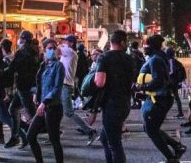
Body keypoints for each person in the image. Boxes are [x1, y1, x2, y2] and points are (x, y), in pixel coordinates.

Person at [135, 34, 186, 163]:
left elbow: (159, 81)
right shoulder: (157, 58)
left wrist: (142, 87)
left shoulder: (155, 60)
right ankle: (176, 147)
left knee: (151, 129)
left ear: (151, 46)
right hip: (156, 98)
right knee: (150, 128)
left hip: (158, 100)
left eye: (146, 45)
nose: (144, 47)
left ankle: (171, 157)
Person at [95, 30, 133, 163]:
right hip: (125, 103)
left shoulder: (104, 57)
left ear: (111, 42)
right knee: (105, 139)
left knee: (115, 144)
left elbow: (100, 82)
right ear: (122, 42)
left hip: (111, 105)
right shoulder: (129, 58)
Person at [26, 39, 65, 163]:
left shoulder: (58, 65)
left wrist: (44, 102)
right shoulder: (44, 65)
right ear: (43, 49)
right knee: (30, 136)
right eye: (49, 48)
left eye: (54, 48)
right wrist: (36, 94)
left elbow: (57, 88)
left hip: (53, 107)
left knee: (54, 139)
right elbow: (40, 84)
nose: (52, 50)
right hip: (43, 106)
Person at [5, 30, 40, 149]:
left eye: (20, 38)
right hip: (29, 85)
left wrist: (1, 71)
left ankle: (48, 131)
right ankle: (16, 136)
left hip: (23, 86)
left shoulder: (22, 52)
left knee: (31, 113)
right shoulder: (35, 51)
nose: (19, 40)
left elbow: (13, 68)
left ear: (24, 40)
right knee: (13, 109)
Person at [59, 35, 95, 140]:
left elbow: (56, 50)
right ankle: (54, 132)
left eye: (66, 41)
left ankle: (89, 130)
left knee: (69, 112)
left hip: (65, 85)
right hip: (63, 84)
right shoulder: (69, 52)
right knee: (56, 110)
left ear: (71, 43)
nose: (64, 42)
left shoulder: (69, 52)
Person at [165, 47, 185, 119]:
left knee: (166, 98)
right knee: (175, 97)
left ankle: (164, 114)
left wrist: (166, 76)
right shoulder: (175, 61)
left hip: (170, 82)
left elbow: (171, 71)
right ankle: (180, 113)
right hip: (174, 82)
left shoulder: (168, 61)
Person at [128, 41, 146, 109]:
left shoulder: (133, 54)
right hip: (140, 73)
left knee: (133, 89)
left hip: (134, 75)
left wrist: (132, 76)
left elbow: (133, 66)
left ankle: (137, 103)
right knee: (138, 89)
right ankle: (139, 102)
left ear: (132, 46)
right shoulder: (140, 53)